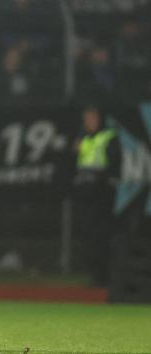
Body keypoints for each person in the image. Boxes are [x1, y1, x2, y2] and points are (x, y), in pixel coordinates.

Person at [74, 105, 120, 287]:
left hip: (103, 195)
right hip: (87, 197)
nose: (89, 122)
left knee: (103, 236)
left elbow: (113, 166)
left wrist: (99, 178)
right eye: (86, 118)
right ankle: (94, 275)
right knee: (89, 236)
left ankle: (105, 276)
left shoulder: (108, 137)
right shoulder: (83, 138)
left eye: (92, 118)